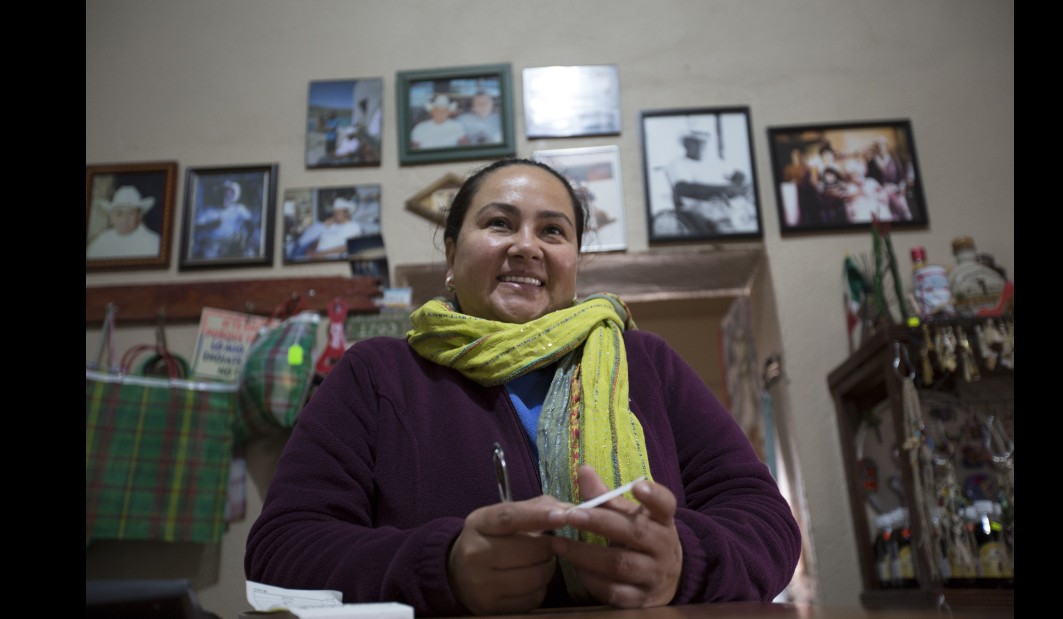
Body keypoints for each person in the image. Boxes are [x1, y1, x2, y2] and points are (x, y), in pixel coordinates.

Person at [244, 157, 801, 616]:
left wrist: (685, 559)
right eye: (499, 224)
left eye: (553, 231)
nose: (527, 246)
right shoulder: (375, 375)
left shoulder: (646, 363)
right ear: (450, 253)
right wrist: (443, 566)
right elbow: (282, 548)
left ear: (574, 262)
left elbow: (767, 522)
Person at [663, 130, 754, 234]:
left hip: (729, 204)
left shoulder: (714, 162)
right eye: (695, 142)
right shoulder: (678, 163)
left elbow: (739, 174)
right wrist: (724, 190)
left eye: (703, 142)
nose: (701, 145)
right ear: (685, 144)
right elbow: (683, 188)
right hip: (700, 208)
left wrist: (736, 185)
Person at [86, 185, 161, 258]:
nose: (125, 219)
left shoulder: (153, 242)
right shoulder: (101, 241)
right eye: (119, 213)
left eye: (131, 213)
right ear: (112, 218)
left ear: (140, 216)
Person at [192, 179, 255, 258]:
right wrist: (210, 225)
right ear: (219, 194)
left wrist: (249, 239)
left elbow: (250, 224)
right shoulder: (208, 210)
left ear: (234, 197)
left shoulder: (239, 209)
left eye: (228, 196)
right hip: (212, 243)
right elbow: (195, 228)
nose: (225, 198)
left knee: (247, 254)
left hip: (231, 242)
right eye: (223, 194)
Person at [292, 197, 365, 259]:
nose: (335, 215)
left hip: (326, 258)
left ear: (346, 213)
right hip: (313, 254)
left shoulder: (354, 226)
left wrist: (323, 253)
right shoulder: (333, 225)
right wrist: (312, 249)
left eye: (338, 213)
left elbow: (349, 246)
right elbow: (319, 238)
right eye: (334, 212)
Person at [864, 136, 913, 221]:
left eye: (882, 145)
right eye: (878, 146)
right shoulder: (871, 162)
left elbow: (901, 176)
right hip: (880, 192)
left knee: (902, 210)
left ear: (886, 146)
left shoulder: (895, 159)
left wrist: (900, 187)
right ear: (875, 148)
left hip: (895, 189)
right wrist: (879, 188)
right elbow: (869, 179)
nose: (880, 147)